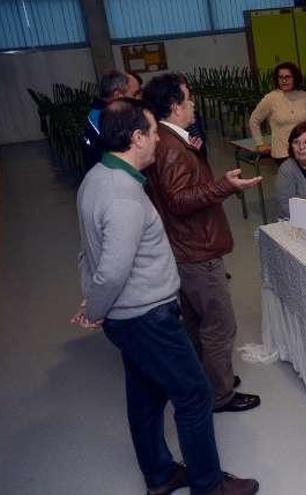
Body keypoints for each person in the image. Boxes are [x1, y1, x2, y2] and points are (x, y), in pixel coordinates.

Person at [71, 98, 259, 495]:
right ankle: (208, 485)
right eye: (154, 132)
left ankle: (159, 474)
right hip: (146, 317)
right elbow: (113, 268)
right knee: (193, 395)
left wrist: (95, 300)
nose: (159, 139)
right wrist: (95, 308)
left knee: (144, 395)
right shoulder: (123, 196)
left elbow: (88, 253)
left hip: (128, 317)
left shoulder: (98, 178)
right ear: (137, 138)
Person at [142, 73, 263, 414]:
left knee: (196, 321)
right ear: (175, 106)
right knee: (219, 324)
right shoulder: (171, 148)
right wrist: (223, 186)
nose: (193, 103)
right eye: (188, 98)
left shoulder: (171, 141)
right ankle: (220, 396)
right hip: (196, 249)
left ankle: (208, 381)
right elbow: (179, 200)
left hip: (184, 247)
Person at [249, 61, 306, 163]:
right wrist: (259, 143)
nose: (284, 80)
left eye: (288, 77)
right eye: (280, 77)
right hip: (283, 153)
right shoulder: (271, 98)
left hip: (305, 150)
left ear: (295, 78)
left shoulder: (305, 97)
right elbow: (254, 120)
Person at [82, 69, 140, 172]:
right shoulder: (106, 120)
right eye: (133, 95)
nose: (136, 100)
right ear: (117, 95)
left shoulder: (97, 113)